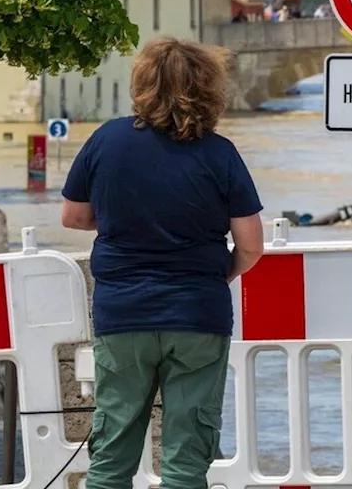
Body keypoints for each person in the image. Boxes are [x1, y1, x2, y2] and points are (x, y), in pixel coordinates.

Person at [61, 37, 266, 489]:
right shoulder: (219, 153)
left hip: (123, 313)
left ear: (141, 85)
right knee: (186, 459)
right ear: (208, 89)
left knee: (111, 456)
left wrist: (124, 215)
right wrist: (223, 273)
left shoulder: (106, 140)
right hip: (197, 312)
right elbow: (251, 243)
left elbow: (74, 216)